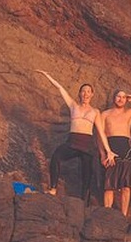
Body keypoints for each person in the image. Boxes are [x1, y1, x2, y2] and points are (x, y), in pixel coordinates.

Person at [36, 70, 116, 205]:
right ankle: (53, 189)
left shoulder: (95, 111)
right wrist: (46, 74)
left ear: (92, 94)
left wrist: (108, 151)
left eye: (88, 91)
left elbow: (100, 132)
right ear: (80, 93)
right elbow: (60, 88)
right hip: (72, 143)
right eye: (83, 91)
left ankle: (84, 203)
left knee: (87, 174)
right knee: (56, 156)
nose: (85, 94)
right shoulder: (73, 105)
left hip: (87, 145)